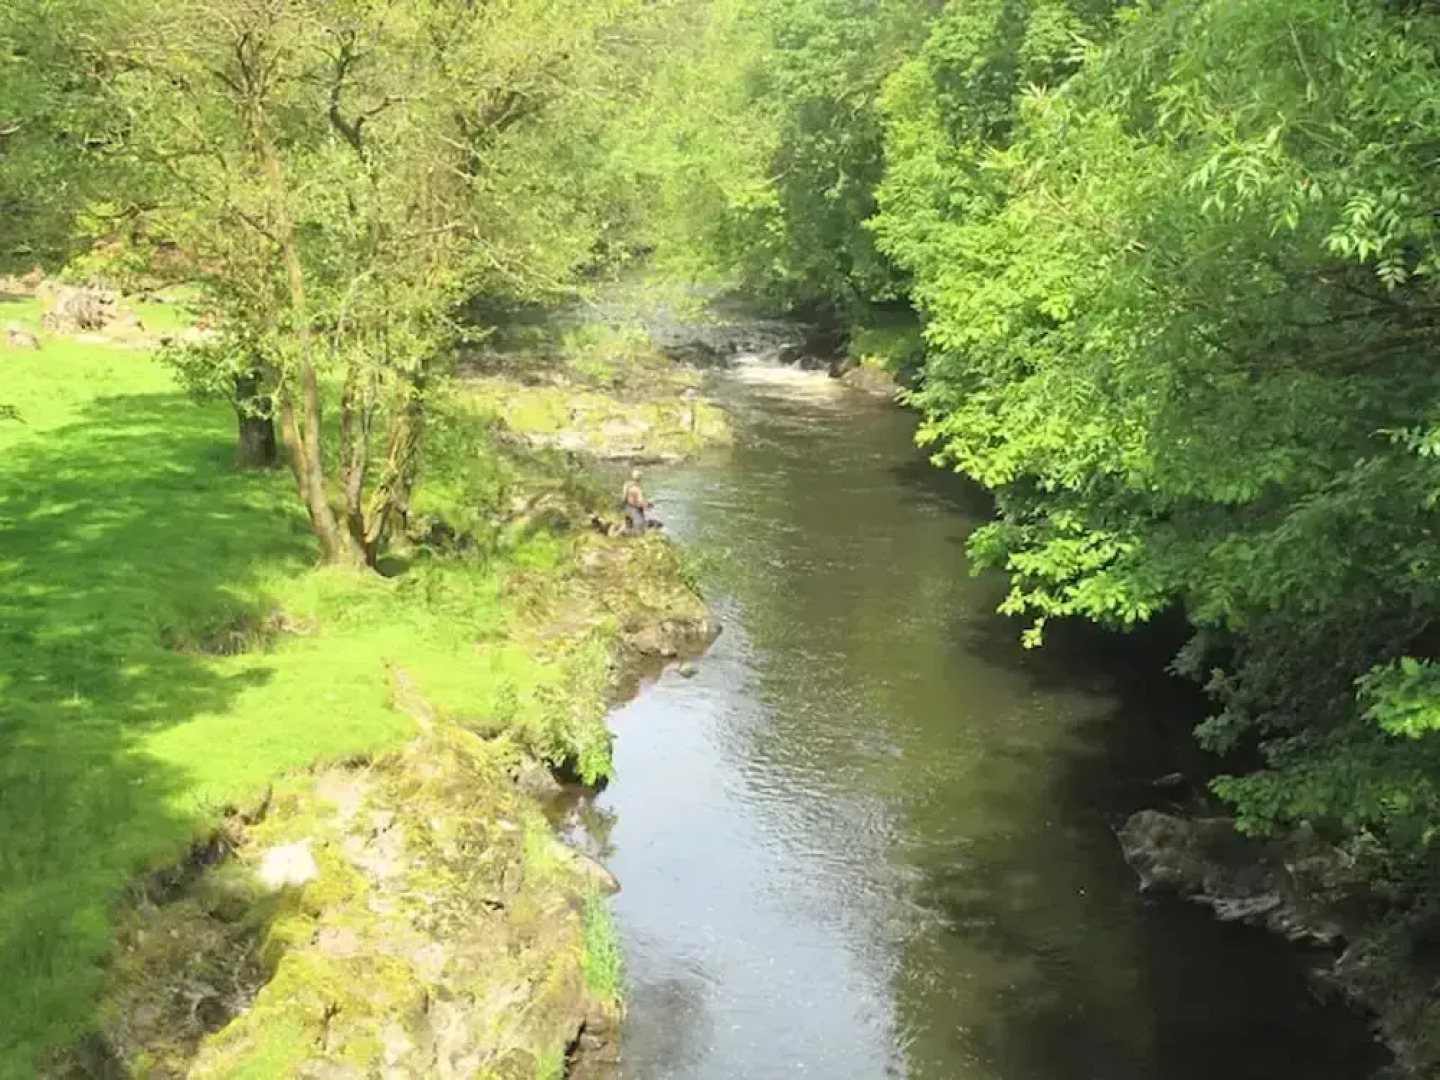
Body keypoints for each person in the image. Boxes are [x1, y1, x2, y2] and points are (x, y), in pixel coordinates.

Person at [621, 468, 651, 536]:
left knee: (628, 527)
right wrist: (648, 504)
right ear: (639, 478)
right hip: (635, 512)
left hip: (627, 509)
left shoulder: (626, 485)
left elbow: (623, 498)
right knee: (640, 531)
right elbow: (640, 502)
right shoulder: (637, 488)